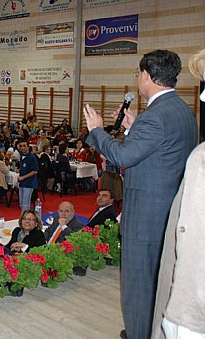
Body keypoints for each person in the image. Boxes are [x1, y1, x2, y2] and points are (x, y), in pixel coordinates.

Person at [84, 49, 197, 339]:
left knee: (138, 281)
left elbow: (122, 157)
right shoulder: (183, 110)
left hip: (146, 214)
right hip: (168, 209)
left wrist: (98, 131)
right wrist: (135, 128)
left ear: (147, 76)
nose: (137, 78)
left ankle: (138, 333)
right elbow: (164, 153)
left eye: (137, 73)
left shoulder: (155, 117)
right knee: (157, 279)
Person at [153, 49, 205, 339]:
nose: (201, 99)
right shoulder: (186, 117)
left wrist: (182, 318)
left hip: (192, 311)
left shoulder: (202, 160)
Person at [17, 141, 38, 213]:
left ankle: (25, 219)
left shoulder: (32, 157)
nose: (22, 148)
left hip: (29, 183)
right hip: (22, 183)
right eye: (21, 146)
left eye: (24, 146)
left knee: (25, 204)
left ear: (28, 147)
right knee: (21, 203)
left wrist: (23, 177)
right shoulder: (21, 157)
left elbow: (34, 171)